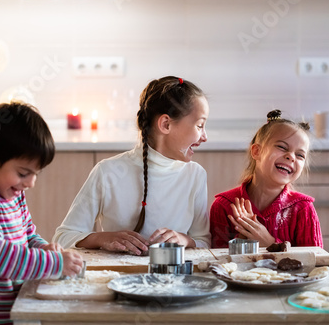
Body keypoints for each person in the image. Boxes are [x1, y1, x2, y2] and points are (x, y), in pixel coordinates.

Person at [0, 101, 83, 325]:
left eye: (35, 174)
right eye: (23, 173)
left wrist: (43, 247)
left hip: (7, 312)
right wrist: (54, 263)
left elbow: (28, 236)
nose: (31, 182)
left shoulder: (11, 193)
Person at [53, 76, 211, 255]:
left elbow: (204, 242)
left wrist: (185, 240)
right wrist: (103, 238)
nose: (205, 136)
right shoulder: (107, 172)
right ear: (166, 124)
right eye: (200, 126)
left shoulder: (196, 175)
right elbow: (62, 237)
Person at [210, 109, 323, 248]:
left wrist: (270, 244)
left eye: (300, 155)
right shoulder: (223, 206)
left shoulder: (303, 209)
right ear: (256, 151)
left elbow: (315, 263)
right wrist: (244, 237)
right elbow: (215, 262)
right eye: (282, 147)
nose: (291, 157)